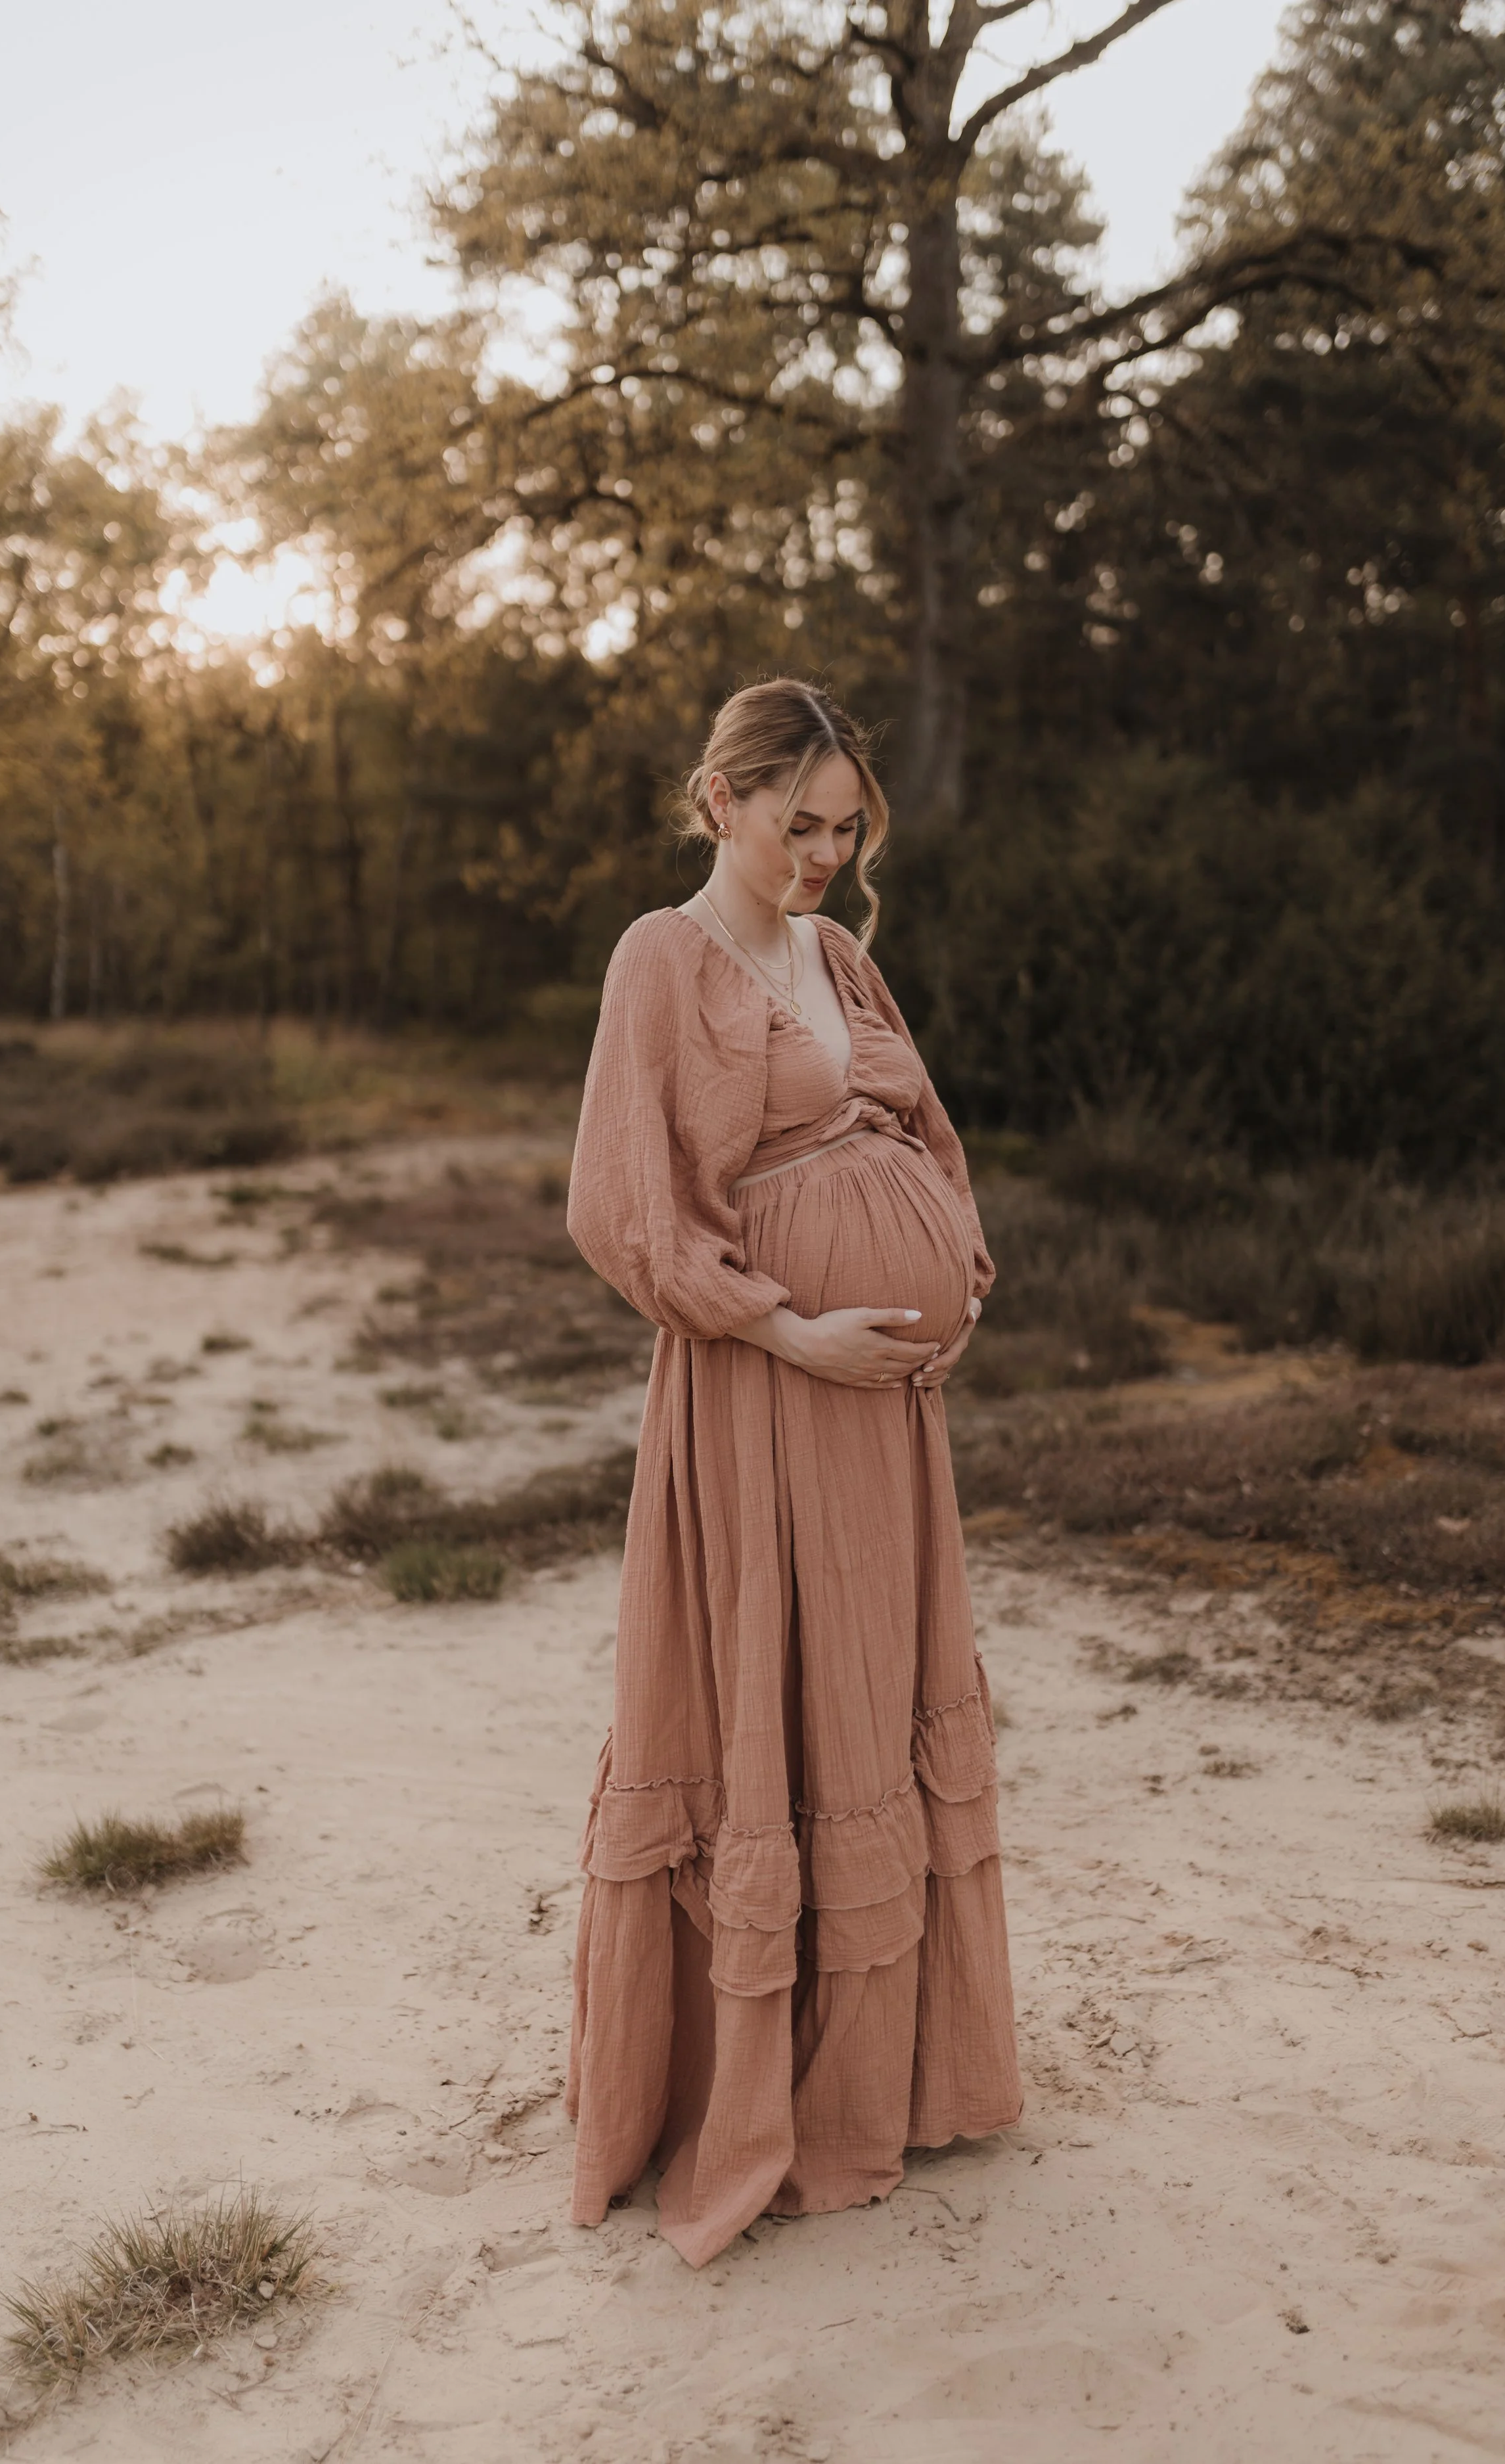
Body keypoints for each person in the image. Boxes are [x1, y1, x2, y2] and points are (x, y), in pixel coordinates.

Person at [564, 677, 1022, 2266]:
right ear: (721, 804)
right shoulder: (660, 962)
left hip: (883, 1412)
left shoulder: (838, 957)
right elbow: (622, 1212)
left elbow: (924, 1131)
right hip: (764, 1395)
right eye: (796, 822)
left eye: (845, 827)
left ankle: (880, 2081)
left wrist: (951, 1270)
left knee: (867, 1702)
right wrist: (786, 1329)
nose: (823, 853)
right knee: (777, 1700)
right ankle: (741, 2091)